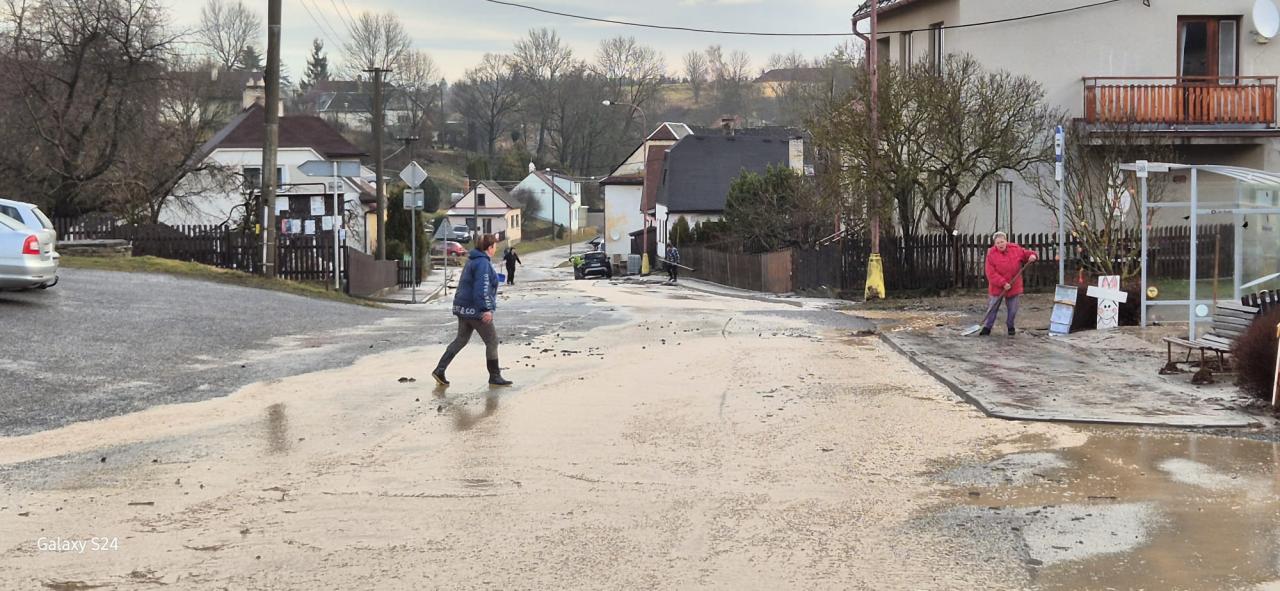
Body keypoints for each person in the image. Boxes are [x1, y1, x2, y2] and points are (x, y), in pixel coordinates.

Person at [432, 233, 512, 387]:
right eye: (494, 246)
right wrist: (486, 309)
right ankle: (494, 376)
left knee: (461, 340)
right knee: (492, 341)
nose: (495, 248)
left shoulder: (472, 260)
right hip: (475, 310)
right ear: (489, 247)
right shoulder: (482, 263)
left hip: (463, 308)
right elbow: (481, 288)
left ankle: (440, 369)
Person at [982, 231, 1037, 336]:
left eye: (1002, 242)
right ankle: (987, 327)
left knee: (1013, 310)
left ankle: (1010, 326)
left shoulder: (1015, 249)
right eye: (998, 243)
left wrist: (1032, 255)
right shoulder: (991, 254)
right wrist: (1003, 283)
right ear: (995, 244)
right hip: (997, 287)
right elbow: (990, 273)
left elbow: (1027, 254)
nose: (1000, 244)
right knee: (992, 308)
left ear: (1006, 241)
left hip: (1013, 285)